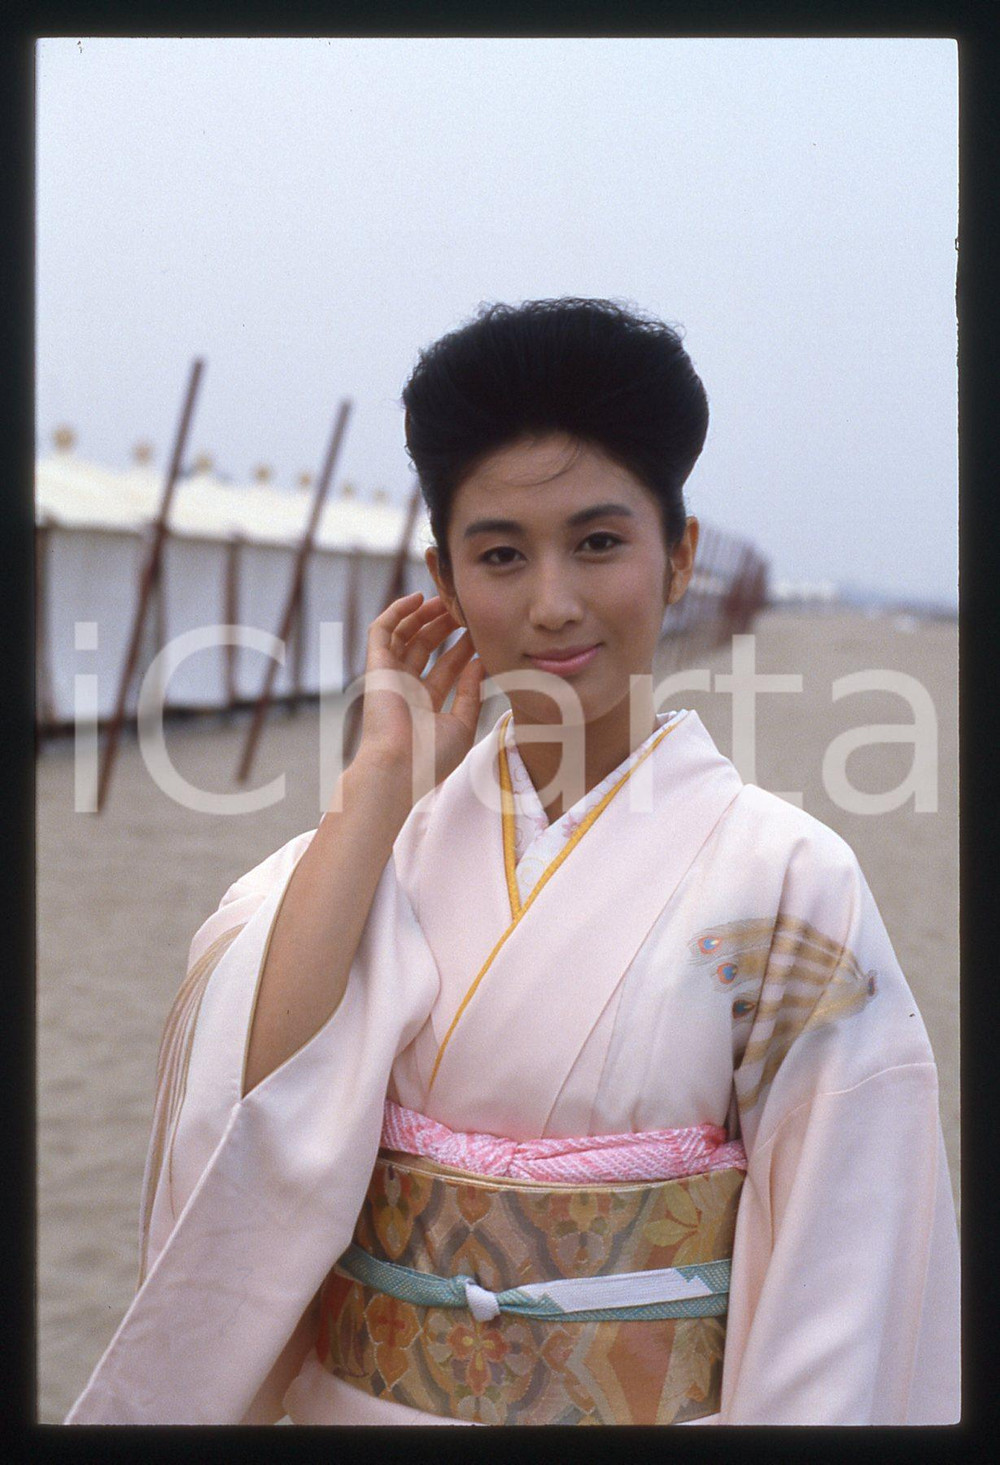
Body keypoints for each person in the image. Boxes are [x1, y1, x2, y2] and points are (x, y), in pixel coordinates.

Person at [66, 299, 960, 1426]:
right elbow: (249, 1117)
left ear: (676, 556)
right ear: (443, 577)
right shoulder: (379, 849)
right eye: (500, 554)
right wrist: (377, 785)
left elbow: (844, 1265)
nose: (553, 602)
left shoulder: (789, 880)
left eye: (598, 542)